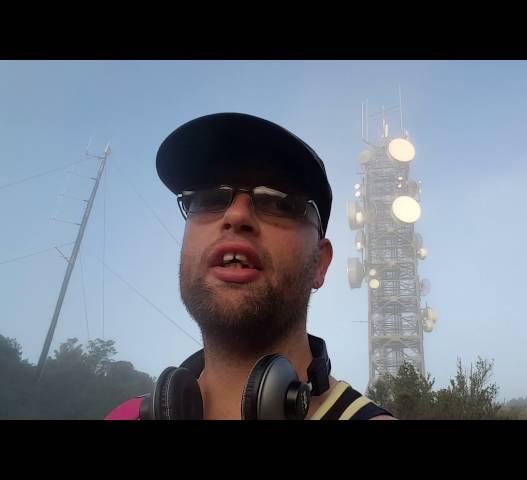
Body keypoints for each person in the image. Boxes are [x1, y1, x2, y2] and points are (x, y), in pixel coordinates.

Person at [105, 112, 395, 420]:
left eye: (280, 202)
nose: (237, 215)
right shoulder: (125, 415)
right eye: (208, 197)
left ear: (320, 264)